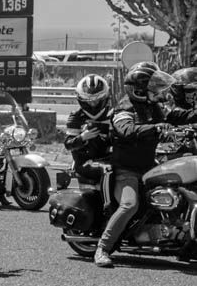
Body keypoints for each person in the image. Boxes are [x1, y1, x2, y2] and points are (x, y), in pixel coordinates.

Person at [93, 63, 197, 267]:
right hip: (126, 170)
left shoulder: (154, 106)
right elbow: (127, 130)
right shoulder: (124, 109)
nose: (158, 91)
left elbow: (176, 116)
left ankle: (186, 244)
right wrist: (155, 128)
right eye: (154, 87)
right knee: (129, 204)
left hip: (150, 166)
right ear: (140, 90)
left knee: (184, 189)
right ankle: (102, 248)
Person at [64, 73, 113, 185]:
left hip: (107, 157)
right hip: (84, 161)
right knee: (107, 170)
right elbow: (68, 144)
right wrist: (82, 137)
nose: (93, 104)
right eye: (89, 100)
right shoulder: (76, 116)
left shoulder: (112, 114)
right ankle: (109, 202)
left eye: (97, 100)